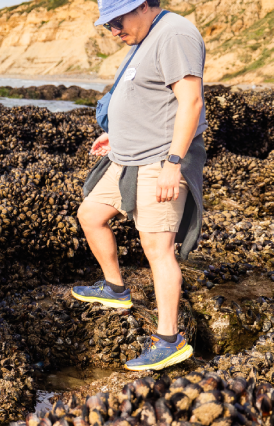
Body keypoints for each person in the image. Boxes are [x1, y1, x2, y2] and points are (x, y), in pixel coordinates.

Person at [74, 0, 206, 371]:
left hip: (160, 159)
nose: (114, 30)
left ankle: (169, 340)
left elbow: (190, 102)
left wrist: (173, 164)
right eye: (108, 24)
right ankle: (116, 289)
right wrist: (116, 136)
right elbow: (145, 98)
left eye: (119, 20)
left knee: (157, 247)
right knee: (91, 214)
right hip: (127, 157)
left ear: (146, 5)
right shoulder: (144, 38)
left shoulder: (175, 34)